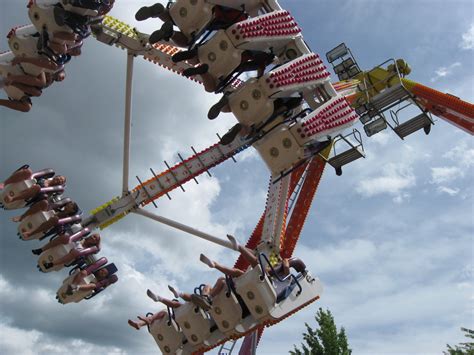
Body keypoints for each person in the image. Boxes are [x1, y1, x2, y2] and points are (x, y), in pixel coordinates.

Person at [135, 2, 247, 46]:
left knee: (175, 16)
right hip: (209, 14)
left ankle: (159, 12)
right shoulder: (242, 12)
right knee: (187, 41)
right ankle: (171, 33)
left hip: (190, 5)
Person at [1, 166, 66, 204]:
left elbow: (45, 198)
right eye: (60, 178)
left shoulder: (50, 192)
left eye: (61, 181)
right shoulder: (44, 177)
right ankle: (4, 184)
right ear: (56, 176)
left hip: (29, 195)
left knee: (37, 187)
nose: (60, 180)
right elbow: (33, 176)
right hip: (27, 183)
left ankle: (12, 199)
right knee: (28, 171)